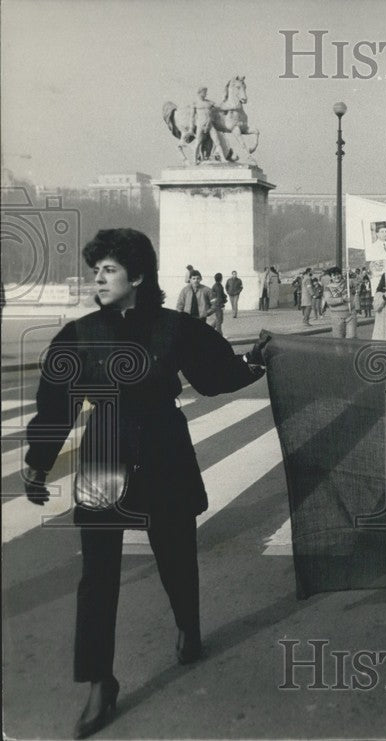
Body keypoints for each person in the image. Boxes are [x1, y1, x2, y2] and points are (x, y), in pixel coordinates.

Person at [22, 229, 267, 739]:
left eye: (108, 270)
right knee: (97, 576)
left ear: (137, 276)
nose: (98, 279)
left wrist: (255, 362)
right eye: (96, 271)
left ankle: (189, 628)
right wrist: (38, 462)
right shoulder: (79, 333)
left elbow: (215, 375)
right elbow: (57, 404)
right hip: (104, 455)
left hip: (162, 450)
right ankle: (98, 682)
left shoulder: (177, 328)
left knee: (176, 555)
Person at [323, 267, 356, 339]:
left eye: (338, 274)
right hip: (336, 316)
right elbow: (329, 301)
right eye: (334, 275)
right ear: (331, 277)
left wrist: (350, 273)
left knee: (352, 337)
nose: (336, 277)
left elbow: (356, 287)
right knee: (338, 339)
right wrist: (342, 299)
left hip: (350, 314)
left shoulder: (348, 283)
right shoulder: (328, 288)